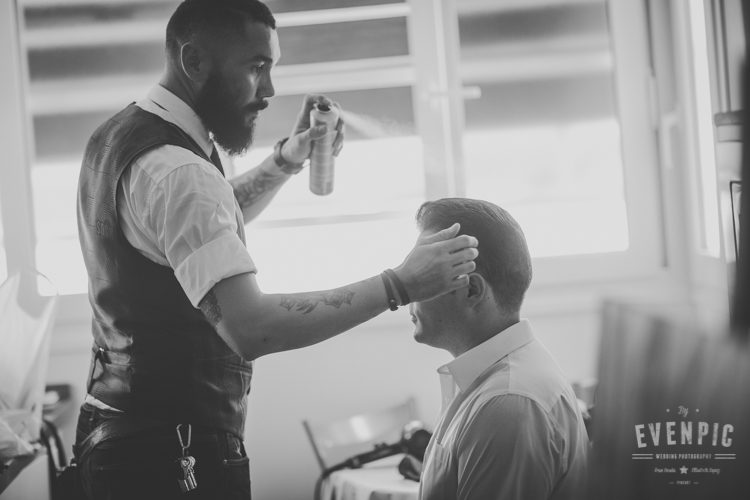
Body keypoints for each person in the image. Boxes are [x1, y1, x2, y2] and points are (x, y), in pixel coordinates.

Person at [73, 1, 479, 498]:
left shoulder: (124, 136)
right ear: (194, 61)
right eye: (256, 66)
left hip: (115, 434)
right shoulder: (181, 173)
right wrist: (399, 284)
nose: (269, 90)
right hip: (169, 458)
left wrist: (288, 159)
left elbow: (202, 227)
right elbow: (252, 330)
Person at [409, 198, 589, 500]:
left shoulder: (508, 405)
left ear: (471, 290)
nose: (407, 293)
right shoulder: (494, 383)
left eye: (422, 275)